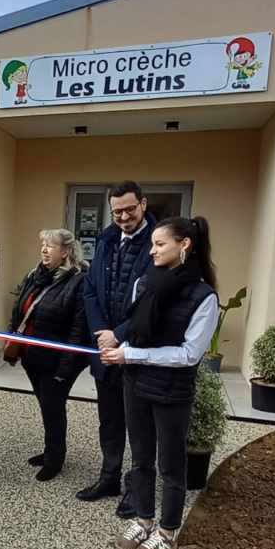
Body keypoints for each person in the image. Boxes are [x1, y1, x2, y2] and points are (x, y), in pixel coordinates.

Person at [101, 216, 219, 549]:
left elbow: (188, 354)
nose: (151, 250)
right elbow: (137, 328)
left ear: (185, 245)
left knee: (170, 464)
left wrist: (130, 354)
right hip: (135, 385)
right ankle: (143, 520)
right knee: (140, 460)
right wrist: (118, 345)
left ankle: (167, 532)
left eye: (159, 244)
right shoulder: (146, 284)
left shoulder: (204, 297)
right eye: (152, 244)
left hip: (171, 393)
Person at [80, 180, 157, 517]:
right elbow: (90, 290)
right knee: (109, 420)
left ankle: (137, 488)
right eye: (117, 212)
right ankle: (109, 476)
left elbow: (154, 300)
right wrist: (102, 333)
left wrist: (119, 334)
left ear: (143, 204)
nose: (124, 217)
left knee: (140, 425)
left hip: (139, 350)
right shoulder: (106, 240)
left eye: (130, 209)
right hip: (106, 349)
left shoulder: (158, 243)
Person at [5, 229, 91, 482]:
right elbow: (17, 311)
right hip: (33, 356)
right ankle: (50, 450)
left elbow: (78, 329)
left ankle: (55, 459)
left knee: (53, 407)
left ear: (66, 252)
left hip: (57, 360)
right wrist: (13, 345)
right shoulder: (35, 275)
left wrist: (65, 369)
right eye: (43, 244)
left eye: (51, 246)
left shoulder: (78, 280)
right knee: (46, 405)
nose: (44, 249)